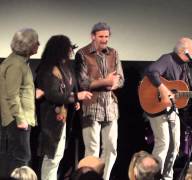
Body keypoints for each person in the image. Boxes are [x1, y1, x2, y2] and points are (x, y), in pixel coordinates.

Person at [35, 35, 92, 180]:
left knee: (57, 157)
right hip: (51, 121)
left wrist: (74, 100)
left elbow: (70, 88)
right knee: (52, 158)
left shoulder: (65, 67)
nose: (70, 52)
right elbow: (53, 94)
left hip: (63, 119)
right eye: (68, 48)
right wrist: (76, 97)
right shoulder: (48, 69)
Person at [144, 37, 192, 180]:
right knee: (163, 143)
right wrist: (162, 89)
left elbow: (187, 87)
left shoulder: (185, 66)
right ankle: (154, 176)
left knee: (175, 146)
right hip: (157, 107)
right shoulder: (167, 59)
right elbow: (151, 71)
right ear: (185, 50)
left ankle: (167, 177)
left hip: (172, 109)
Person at [75, 22, 124, 180]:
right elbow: (83, 83)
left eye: (107, 37)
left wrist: (116, 83)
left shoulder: (114, 53)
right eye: (101, 36)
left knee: (111, 148)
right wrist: (107, 81)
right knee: (92, 150)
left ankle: (105, 177)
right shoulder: (82, 54)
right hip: (91, 107)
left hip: (110, 107)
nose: (104, 40)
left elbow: (121, 79)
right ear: (93, 36)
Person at [0, 28, 40, 178]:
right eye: (36, 42)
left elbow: (18, 90)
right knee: (21, 160)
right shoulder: (16, 64)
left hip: (17, 119)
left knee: (19, 158)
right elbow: (12, 94)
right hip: (16, 121)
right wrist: (21, 119)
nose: (38, 44)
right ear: (27, 45)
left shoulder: (19, 62)